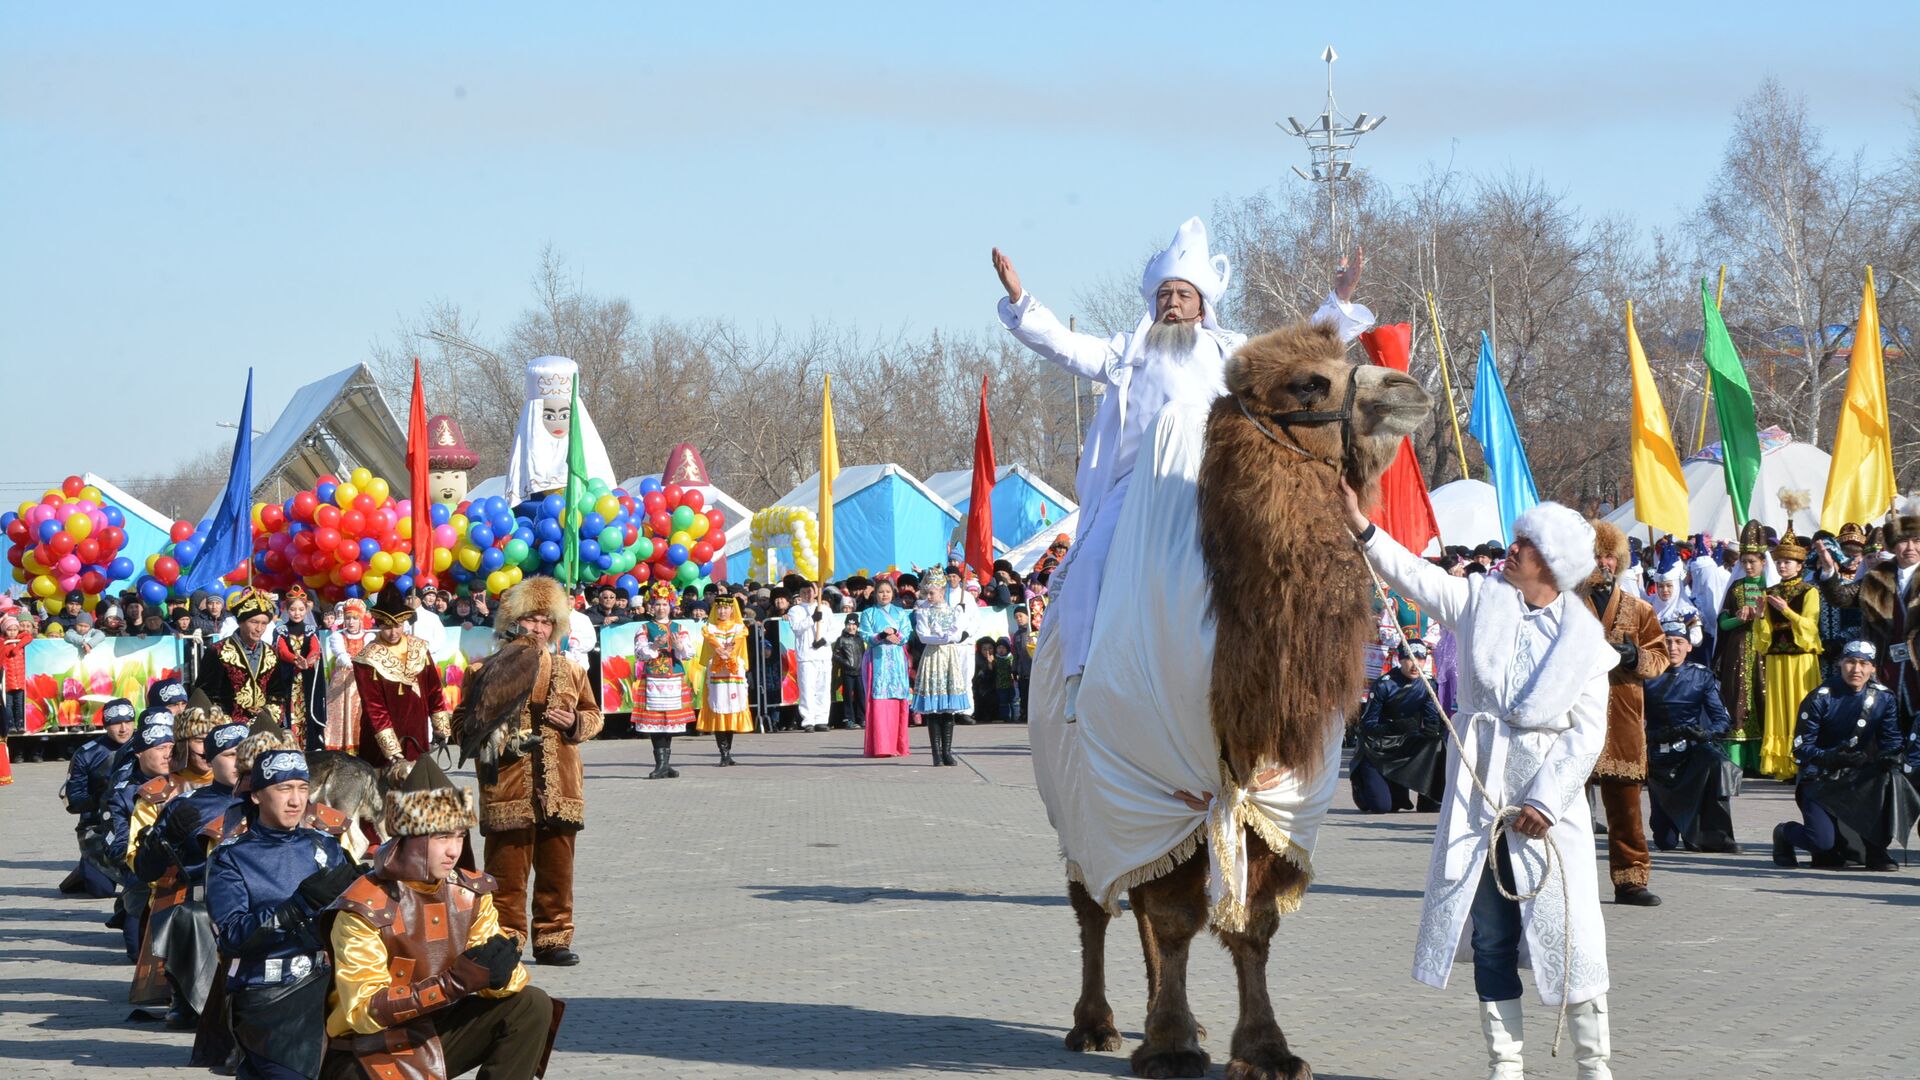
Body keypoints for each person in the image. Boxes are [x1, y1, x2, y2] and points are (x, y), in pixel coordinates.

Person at [994, 218, 1371, 717]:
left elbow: (1299, 354)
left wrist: (1339, 300)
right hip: (1135, 484)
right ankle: (1078, 676)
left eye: (1182, 295)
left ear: (1201, 304)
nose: (1171, 303)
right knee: (1087, 562)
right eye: (1164, 294)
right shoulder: (1126, 350)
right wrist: (1021, 300)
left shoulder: (1231, 351)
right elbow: (1065, 346)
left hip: (1207, 482)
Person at [1345, 490, 1618, 1080]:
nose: (1511, 550)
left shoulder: (1587, 644)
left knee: (1572, 936)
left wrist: (1545, 802)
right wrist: (1361, 525)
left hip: (1548, 815)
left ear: (1551, 563)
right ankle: (1505, 1066)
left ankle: (1594, 1067)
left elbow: (1587, 735)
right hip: (1478, 802)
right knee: (1492, 937)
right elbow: (1414, 575)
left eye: (1525, 545)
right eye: (1515, 541)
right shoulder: (1477, 601)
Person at [320, 756, 553, 1080]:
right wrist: (452, 984)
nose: (454, 850)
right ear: (411, 839)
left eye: (459, 836)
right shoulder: (364, 906)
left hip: (435, 1027)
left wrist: (499, 974)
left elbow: (505, 981)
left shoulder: (470, 894)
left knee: (532, 1005)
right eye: (442, 837)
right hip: (367, 1046)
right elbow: (362, 1011)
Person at [454, 575, 601, 966]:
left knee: (557, 873)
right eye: (531, 619)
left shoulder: (572, 670)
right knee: (505, 875)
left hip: (561, 785)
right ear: (513, 621)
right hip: (507, 785)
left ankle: (553, 939)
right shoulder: (482, 669)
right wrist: (497, 741)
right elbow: (459, 725)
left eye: (546, 621)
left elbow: (594, 715)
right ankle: (506, 941)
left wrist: (575, 722)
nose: (538, 628)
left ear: (556, 627)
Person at [205, 744, 360, 1079]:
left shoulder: (325, 846)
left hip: (327, 992)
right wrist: (298, 906)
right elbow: (232, 937)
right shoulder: (231, 857)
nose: (296, 800)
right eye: (284, 789)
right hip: (267, 995)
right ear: (257, 795)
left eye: (303, 788)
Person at [134, 714, 247, 1030]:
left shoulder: (275, 800)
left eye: (247, 753)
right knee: (188, 915)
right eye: (230, 754)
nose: (240, 762)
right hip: (202, 896)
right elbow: (145, 870)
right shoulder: (186, 804)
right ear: (210, 760)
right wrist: (165, 838)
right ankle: (187, 997)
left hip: (263, 896)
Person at [1582, 521, 1670, 907]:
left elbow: (1661, 656)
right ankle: (1565, 882)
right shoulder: (1564, 603)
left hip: (1623, 714)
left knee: (1626, 808)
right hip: (1574, 715)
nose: (1604, 563)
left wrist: (1636, 657)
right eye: (1596, 556)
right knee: (1567, 807)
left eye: (1609, 557)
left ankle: (1631, 879)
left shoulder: (1639, 608)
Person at [1773, 640, 1916, 872]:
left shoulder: (1884, 698)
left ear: (1873, 668)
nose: (1856, 669)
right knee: (1821, 843)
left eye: (1863, 663)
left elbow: (1892, 741)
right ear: (1840, 663)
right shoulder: (1820, 697)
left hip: (1856, 777)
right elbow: (1800, 749)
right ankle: (1784, 832)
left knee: (1891, 777)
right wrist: (1830, 757)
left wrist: (1892, 756)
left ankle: (1876, 849)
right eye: (1850, 662)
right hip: (1819, 778)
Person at [1817, 503, 1920, 735]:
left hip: (1917, 669)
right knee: (1887, 727)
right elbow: (1842, 597)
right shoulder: (1877, 577)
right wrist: (1829, 571)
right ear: (1893, 545)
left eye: (1917, 541)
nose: (1910, 547)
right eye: (1903, 541)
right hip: (1886, 666)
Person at [1643, 620, 1739, 853]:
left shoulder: (1701, 676)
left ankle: (1713, 830)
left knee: (1718, 763)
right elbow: (1632, 720)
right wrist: (1652, 735)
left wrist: (1706, 733)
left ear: (1689, 646)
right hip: (1659, 756)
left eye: (1679, 642)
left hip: (1691, 753)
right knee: (1665, 842)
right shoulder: (1646, 676)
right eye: (1667, 642)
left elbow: (1722, 719)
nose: (1673, 647)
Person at [351, 585, 451, 767]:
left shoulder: (420, 648)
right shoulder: (366, 659)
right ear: (379, 625)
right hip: (381, 740)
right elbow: (374, 707)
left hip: (417, 732)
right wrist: (391, 749)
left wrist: (441, 726)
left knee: (417, 780)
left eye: (398, 626)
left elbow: (434, 690)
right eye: (387, 627)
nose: (393, 632)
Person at [108, 714, 176, 961]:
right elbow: (116, 847)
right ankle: (128, 907)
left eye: (171, 748)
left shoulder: (186, 783)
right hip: (142, 876)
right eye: (160, 748)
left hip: (185, 874)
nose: (167, 755)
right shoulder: (123, 794)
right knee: (139, 955)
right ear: (139, 753)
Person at [1351, 643, 1445, 814]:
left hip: (1404, 744)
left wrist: (1434, 728)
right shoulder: (1383, 685)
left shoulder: (1427, 684)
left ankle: (1429, 798)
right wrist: (1393, 727)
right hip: (1377, 749)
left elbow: (1431, 719)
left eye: (1421, 659)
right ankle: (1361, 786)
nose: (1415, 664)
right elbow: (1366, 725)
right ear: (1400, 659)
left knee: (1437, 743)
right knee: (1382, 807)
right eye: (1410, 659)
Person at [1758, 526, 1821, 780]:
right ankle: (1783, 764)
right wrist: (1760, 614)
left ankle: (1804, 759)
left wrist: (1786, 611)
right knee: (1779, 709)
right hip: (1777, 658)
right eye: (1779, 562)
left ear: (1799, 565)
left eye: (1787, 562)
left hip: (1801, 658)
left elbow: (1810, 627)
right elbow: (1763, 633)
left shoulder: (1809, 591)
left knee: (1801, 706)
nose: (1782, 566)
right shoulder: (1770, 592)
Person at [61, 696, 136, 898]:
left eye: (128, 722)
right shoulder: (86, 754)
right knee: (101, 890)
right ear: (105, 725)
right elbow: (73, 801)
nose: (123, 728)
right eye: (116, 723)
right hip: (99, 826)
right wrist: (102, 796)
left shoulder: (146, 747)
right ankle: (87, 866)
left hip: (138, 822)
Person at [1717, 524, 1771, 769]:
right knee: (1736, 697)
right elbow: (1722, 623)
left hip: (1764, 652)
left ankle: (1764, 760)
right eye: (1744, 562)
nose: (1748, 566)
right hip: (1737, 652)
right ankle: (1737, 761)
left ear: (1763, 562)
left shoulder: (1771, 589)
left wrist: (1761, 615)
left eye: (1753, 562)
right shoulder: (1736, 588)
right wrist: (1739, 619)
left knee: (1763, 696)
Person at [632, 582, 697, 779]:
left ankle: (665, 765)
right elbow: (639, 653)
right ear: (651, 606)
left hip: (673, 679)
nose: (661, 608)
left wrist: (679, 646)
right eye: (658, 604)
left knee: (669, 721)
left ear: (671, 605)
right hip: (654, 679)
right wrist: (654, 645)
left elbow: (689, 653)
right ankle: (661, 764)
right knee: (656, 720)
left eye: (665, 604)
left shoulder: (679, 627)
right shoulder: (645, 627)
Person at [911, 569, 971, 766]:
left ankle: (947, 751)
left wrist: (952, 631)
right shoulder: (924, 611)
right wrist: (943, 637)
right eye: (927, 593)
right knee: (934, 710)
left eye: (932, 593)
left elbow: (958, 634)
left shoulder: (953, 611)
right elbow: (923, 636)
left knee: (947, 710)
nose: (928, 596)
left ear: (942, 591)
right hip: (933, 657)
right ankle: (936, 753)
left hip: (949, 658)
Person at [196, 588, 282, 723]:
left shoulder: (271, 653)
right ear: (241, 622)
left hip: (263, 727)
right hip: (227, 727)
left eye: (264, 623)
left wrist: (266, 713)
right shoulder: (217, 651)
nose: (259, 629)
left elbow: (277, 694)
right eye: (254, 622)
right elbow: (204, 696)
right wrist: (226, 724)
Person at [858, 578, 913, 758]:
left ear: (893, 593)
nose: (884, 595)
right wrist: (882, 635)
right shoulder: (868, 613)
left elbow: (907, 633)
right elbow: (865, 635)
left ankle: (898, 746)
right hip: (877, 661)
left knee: (897, 699)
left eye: (888, 592)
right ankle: (880, 746)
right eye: (881, 592)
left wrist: (896, 634)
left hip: (896, 661)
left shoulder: (900, 612)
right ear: (875, 594)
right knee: (879, 700)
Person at [269, 586, 328, 752]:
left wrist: (308, 661)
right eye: (293, 609)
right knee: (289, 712)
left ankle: (310, 747)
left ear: (306, 609)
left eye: (301, 609)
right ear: (286, 610)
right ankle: (290, 747)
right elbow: (282, 650)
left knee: (308, 711)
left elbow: (315, 649)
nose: (297, 613)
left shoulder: (311, 630)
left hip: (307, 681)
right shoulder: (280, 630)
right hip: (288, 680)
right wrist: (296, 660)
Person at [696, 596, 752, 766]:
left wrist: (729, 652)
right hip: (717, 671)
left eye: (726, 608)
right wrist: (722, 651)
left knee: (731, 709)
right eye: (719, 608)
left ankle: (728, 752)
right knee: (719, 709)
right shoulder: (710, 628)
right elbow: (712, 642)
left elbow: (738, 641)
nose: (722, 611)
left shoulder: (739, 628)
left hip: (733, 671)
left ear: (732, 610)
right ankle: (723, 752)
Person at [322, 597, 372, 753]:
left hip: (362, 681)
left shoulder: (368, 637)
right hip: (342, 681)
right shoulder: (337, 636)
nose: (351, 622)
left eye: (355, 618)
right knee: (340, 712)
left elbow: (369, 656)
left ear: (361, 620)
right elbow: (340, 654)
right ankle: (339, 745)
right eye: (348, 618)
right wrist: (350, 663)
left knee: (359, 712)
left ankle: (360, 744)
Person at [785, 575, 832, 731]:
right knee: (807, 689)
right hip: (806, 656)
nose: (807, 595)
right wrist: (812, 619)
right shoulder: (795, 610)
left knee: (823, 689)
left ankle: (821, 719)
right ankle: (808, 721)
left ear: (816, 592)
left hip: (823, 654)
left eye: (810, 591)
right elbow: (797, 628)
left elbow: (834, 630)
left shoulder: (825, 609)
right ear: (800, 594)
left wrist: (824, 640)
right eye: (804, 592)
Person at [830, 614, 865, 730]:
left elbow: (863, 653)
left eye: (853, 625)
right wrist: (846, 663)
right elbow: (835, 655)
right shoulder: (841, 639)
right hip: (847, 672)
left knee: (861, 696)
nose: (851, 627)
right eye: (849, 624)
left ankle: (862, 718)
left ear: (857, 626)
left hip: (859, 672)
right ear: (845, 625)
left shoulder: (860, 639)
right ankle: (849, 719)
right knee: (848, 697)